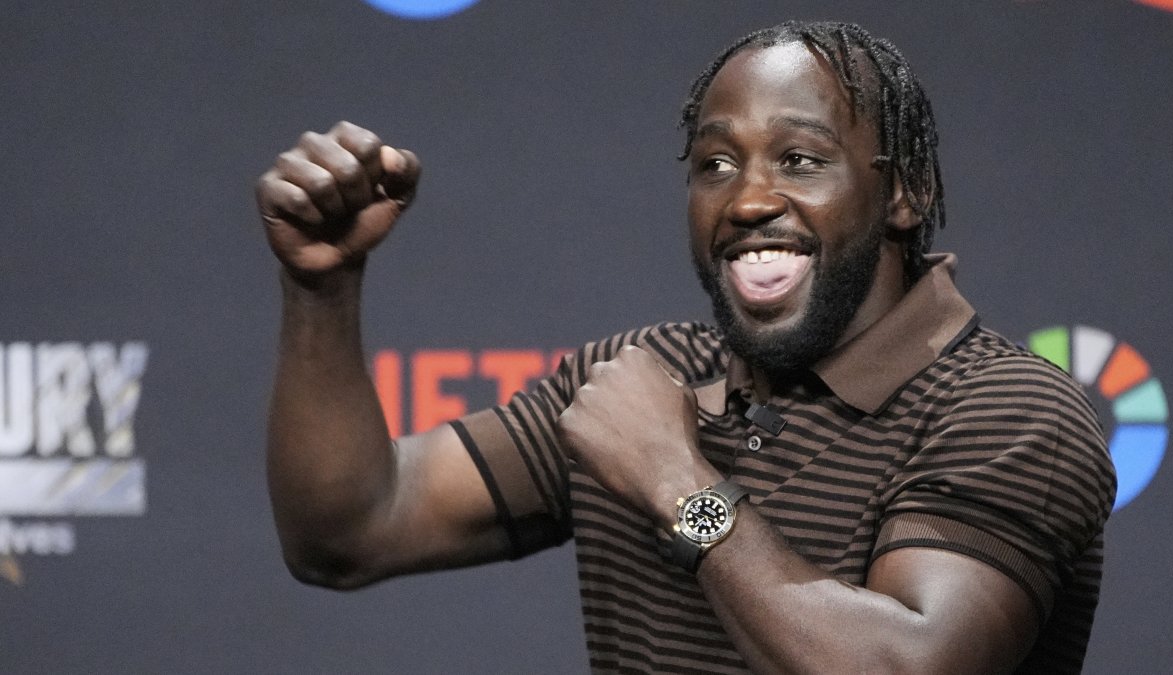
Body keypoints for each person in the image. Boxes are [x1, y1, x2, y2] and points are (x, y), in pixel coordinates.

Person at [256, 20, 1115, 674]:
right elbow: (348, 531)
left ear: (903, 193)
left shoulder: (1007, 408)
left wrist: (674, 479)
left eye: (801, 159)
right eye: (715, 164)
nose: (747, 199)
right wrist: (321, 288)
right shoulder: (642, 375)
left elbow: (905, 663)